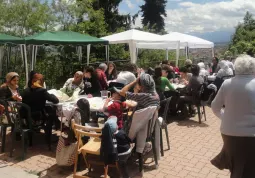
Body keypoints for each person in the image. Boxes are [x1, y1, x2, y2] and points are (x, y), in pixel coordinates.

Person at [211, 55, 255, 178]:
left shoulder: (227, 84)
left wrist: (226, 117)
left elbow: (215, 107)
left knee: (236, 165)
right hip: (252, 135)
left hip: (229, 133)